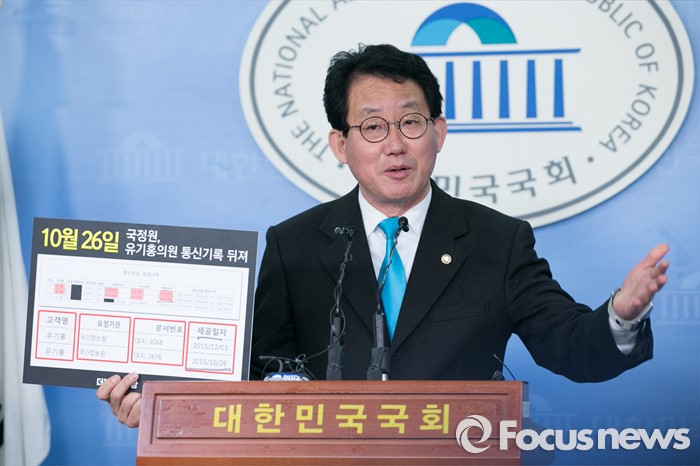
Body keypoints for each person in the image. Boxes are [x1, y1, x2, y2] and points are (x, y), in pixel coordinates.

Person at [97, 44, 669, 428]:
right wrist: (163, 405)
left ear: (438, 132)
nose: (394, 144)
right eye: (372, 126)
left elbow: (570, 347)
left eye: (411, 122)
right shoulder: (295, 245)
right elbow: (257, 377)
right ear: (340, 145)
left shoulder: (498, 241)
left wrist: (621, 315)